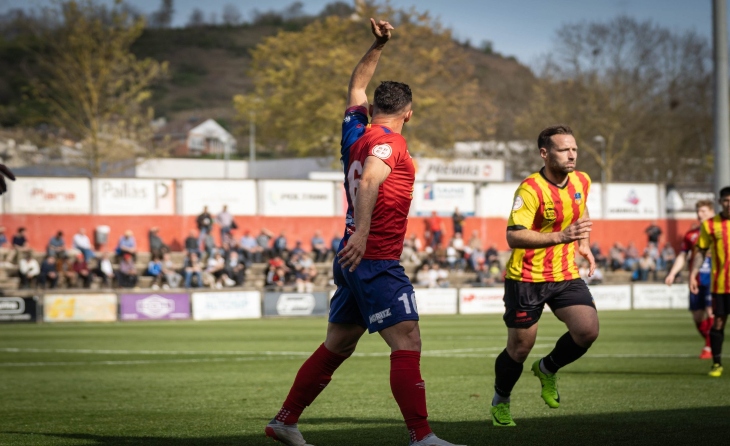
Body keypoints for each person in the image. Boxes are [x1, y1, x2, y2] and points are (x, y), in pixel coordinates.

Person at [264, 20, 461, 446]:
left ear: (373, 109)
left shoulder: (355, 131)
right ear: (409, 111)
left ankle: (285, 420)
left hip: (352, 256)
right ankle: (422, 436)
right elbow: (371, 180)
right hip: (373, 255)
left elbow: (356, 87)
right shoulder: (392, 143)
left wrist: (378, 44)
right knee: (407, 338)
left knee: (339, 343)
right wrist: (364, 233)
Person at [490, 125, 598, 428]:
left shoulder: (582, 180)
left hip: (564, 273)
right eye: (564, 150)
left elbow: (582, 208)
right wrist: (562, 236)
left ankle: (548, 368)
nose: (572, 155)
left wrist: (584, 244)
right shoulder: (530, 189)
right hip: (526, 277)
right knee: (520, 347)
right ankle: (501, 399)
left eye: (574, 149)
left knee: (587, 330)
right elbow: (514, 236)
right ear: (545, 153)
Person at [665, 199, 715, 359]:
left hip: (715, 279)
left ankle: (708, 347)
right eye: (698, 212)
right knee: (697, 316)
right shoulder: (691, 234)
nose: (700, 215)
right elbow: (683, 256)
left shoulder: (720, 231)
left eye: (704, 212)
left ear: (712, 213)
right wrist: (672, 273)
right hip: (696, 279)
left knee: (711, 311)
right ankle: (711, 342)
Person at [691, 188, 730, 377]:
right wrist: (693, 274)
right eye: (726, 200)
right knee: (718, 323)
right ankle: (716, 364)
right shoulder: (710, 225)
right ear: (720, 202)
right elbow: (700, 250)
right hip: (721, 284)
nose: (729, 203)